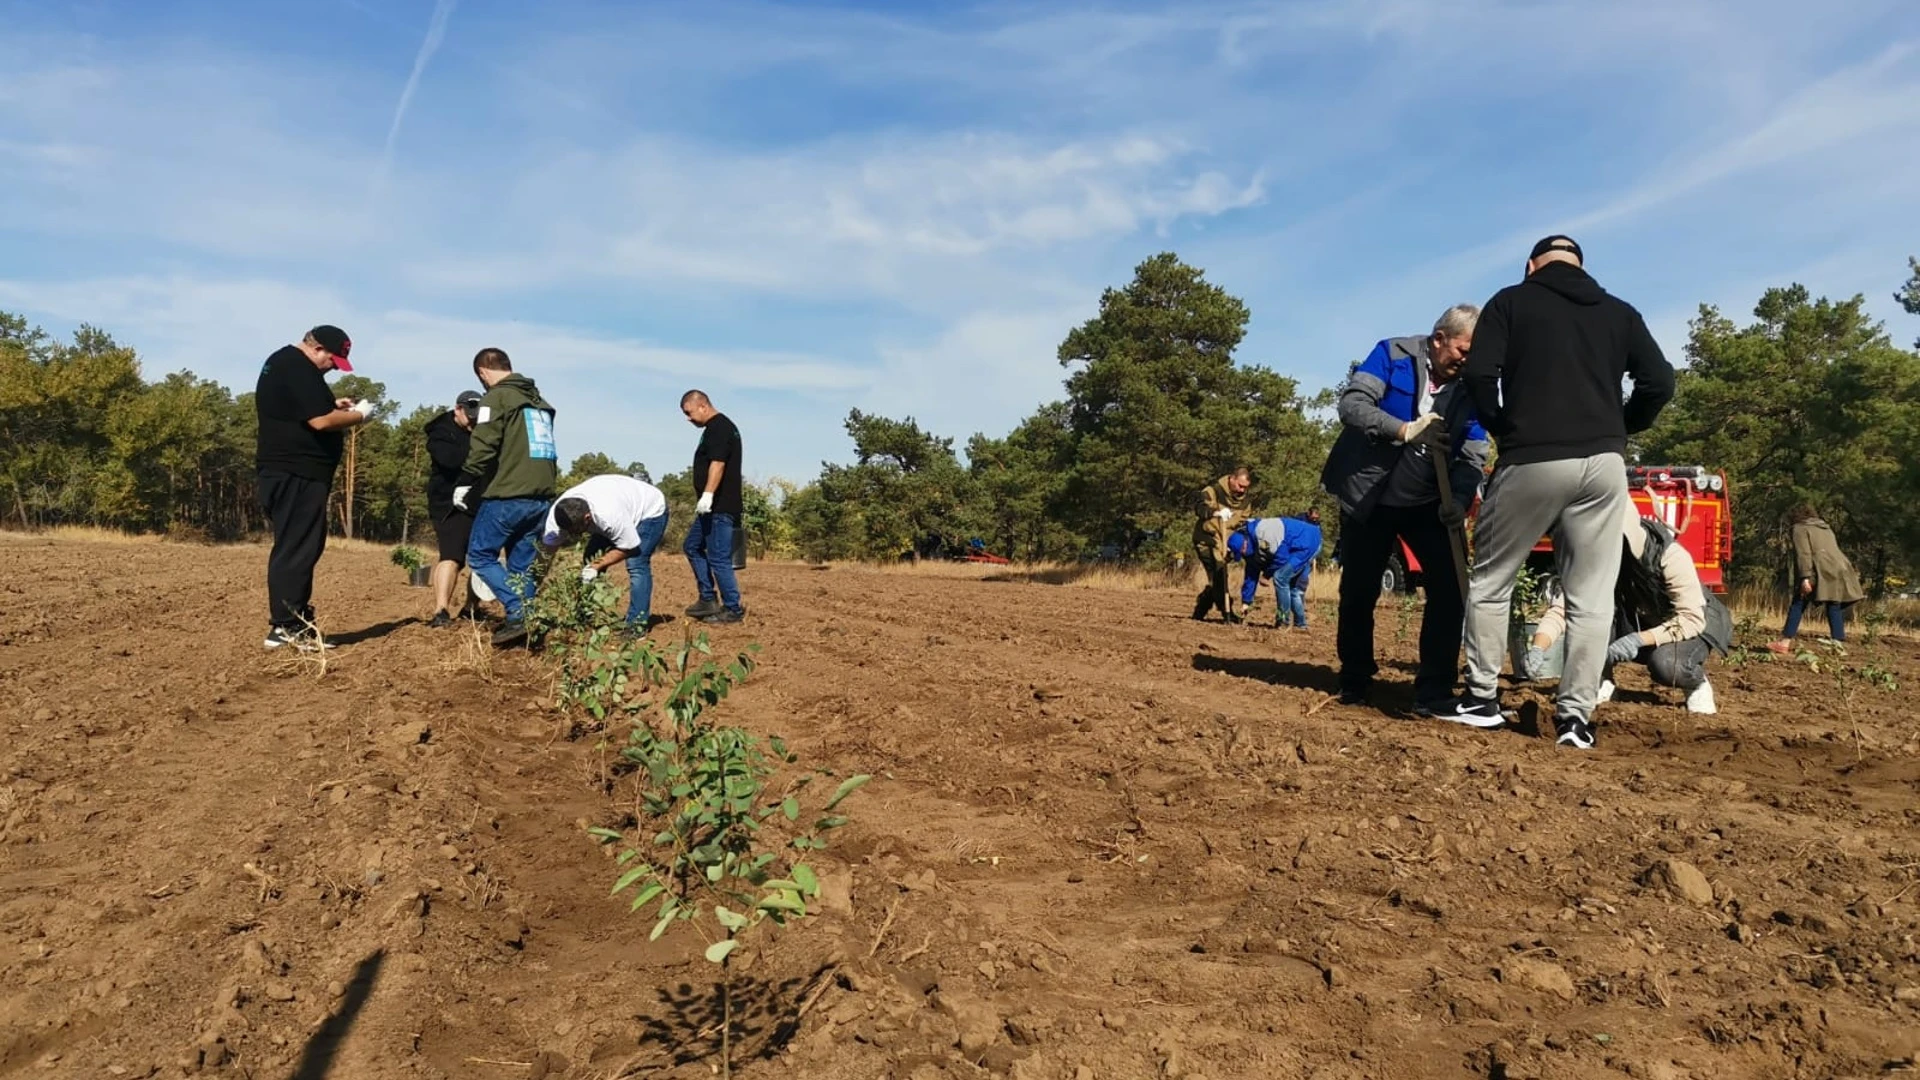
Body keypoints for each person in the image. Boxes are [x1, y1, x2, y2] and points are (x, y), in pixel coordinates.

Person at [1452, 236, 1676, 749]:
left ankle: (1481, 700)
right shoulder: (1621, 312)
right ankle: (1575, 719)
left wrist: (1502, 429)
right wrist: (1619, 428)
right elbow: (1660, 382)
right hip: (1604, 465)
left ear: (1532, 266)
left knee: (1491, 580)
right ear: (1581, 266)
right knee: (1592, 599)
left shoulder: (1509, 301)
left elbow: (1481, 375)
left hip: (1531, 455)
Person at [1320, 305, 1489, 709]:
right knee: (1359, 591)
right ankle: (1355, 681)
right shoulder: (1392, 354)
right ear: (1438, 340)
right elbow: (1352, 406)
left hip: (1430, 503)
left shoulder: (1473, 387)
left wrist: (1462, 501)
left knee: (1449, 592)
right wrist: (1404, 430)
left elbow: (1473, 455)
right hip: (1369, 498)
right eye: (1463, 351)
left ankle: (1434, 688)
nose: (1467, 361)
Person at [1524, 504, 1731, 714]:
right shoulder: (1597, 563)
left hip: (1689, 626)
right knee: (1587, 628)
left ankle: (1695, 683)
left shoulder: (1670, 556)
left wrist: (1638, 640)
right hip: (1638, 622)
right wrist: (1538, 647)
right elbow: (1566, 609)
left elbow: (1691, 619)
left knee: (1668, 665)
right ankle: (1602, 681)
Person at [255, 325, 372, 650]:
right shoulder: (296, 365)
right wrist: (359, 416)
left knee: (301, 545)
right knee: (297, 548)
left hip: (291, 472)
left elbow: (297, 406)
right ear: (317, 348)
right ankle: (286, 626)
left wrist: (332, 402)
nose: (335, 367)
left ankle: (295, 623)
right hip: (295, 473)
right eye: (333, 360)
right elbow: (319, 421)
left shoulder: (287, 365)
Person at [456, 348, 559, 646]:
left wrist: (466, 480)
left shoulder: (497, 398)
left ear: (482, 373)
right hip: (540, 497)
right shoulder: (539, 401)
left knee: (479, 554)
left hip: (508, 494)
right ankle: (523, 629)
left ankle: (521, 610)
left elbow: (485, 442)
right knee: (519, 567)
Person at [540, 474, 671, 632]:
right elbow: (547, 552)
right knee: (591, 556)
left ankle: (637, 625)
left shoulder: (609, 516)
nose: (576, 536)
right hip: (617, 499)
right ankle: (586, 613)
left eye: (577, 531)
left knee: (637, 563)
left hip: (650, 510)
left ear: (587, 518)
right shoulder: (558, 517)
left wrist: (596, 566)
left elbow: (631, 547)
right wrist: (536, 578)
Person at [679, 390, 746, 624]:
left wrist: (707, 495)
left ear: (703, 406)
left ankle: (733, 609)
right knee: (692, 546)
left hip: (720, 506)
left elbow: (717, 464)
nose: (688, 418)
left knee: (718, 558)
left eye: (688, 412)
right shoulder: (714, 428)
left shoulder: (720, 427)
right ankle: (707, 598)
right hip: (710, 508)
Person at [424, 390, 489, 627]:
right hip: (448, 505)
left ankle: (472, 607)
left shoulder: (480, 431)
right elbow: (450, 460)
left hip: (479, 501)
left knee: (483, 557)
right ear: (458, 409)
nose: (473, 421)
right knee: (452, 556)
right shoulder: (439, 434)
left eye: (477, 417)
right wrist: (479, 448)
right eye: (469, 416)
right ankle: (441, 610)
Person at [1767, 506, 1865, 653]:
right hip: (1841, 568)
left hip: (1821, 569)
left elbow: (1804, 554)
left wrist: (1805, 577)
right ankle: (1837, 646)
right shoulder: (1825, 528)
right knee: (1834, 604)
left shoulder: (1800, 528)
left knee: (1799, 602)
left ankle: (1784, 642)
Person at [1228, 514, 1322, 623]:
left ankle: (1283, 621)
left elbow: (1281, 558)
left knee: (1280, 578)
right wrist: (1246, 602)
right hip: (1295, 544)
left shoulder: (1263, 533)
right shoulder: (1250, 547)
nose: (1244, 553)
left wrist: (1266, 575)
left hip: (1308, 540)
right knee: (1291, 586)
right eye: (1241, 553)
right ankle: (1300, 624)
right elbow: (1251, 574)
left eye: (1243, 549)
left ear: (1245, 541)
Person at [1191, 468, 1253, 623]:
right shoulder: (1212, 491)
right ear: (1232, 479)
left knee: (1217, 578)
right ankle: (1227, 612)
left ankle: (1200, 612)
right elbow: (1199, 508)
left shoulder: (1245, 502)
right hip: (1207, 540)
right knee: (1219, 575)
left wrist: (1236, 544)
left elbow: (1242, 524)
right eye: (1240, 485)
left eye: (1245, 487)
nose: (1242, 490)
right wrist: (1215, 513)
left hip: (1226, 544)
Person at [1277, 508, 1322, 629]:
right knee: (1292, 590)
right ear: (1308, 514)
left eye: (1317, 518)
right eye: (1313, 517)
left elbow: (1317, 547)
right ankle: (1295, 622)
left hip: (1301, 562)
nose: (1315, 520)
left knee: (1295, 591)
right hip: (1296, 560)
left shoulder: (1316, 526)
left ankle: (1294, 622)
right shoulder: (1300, 521)